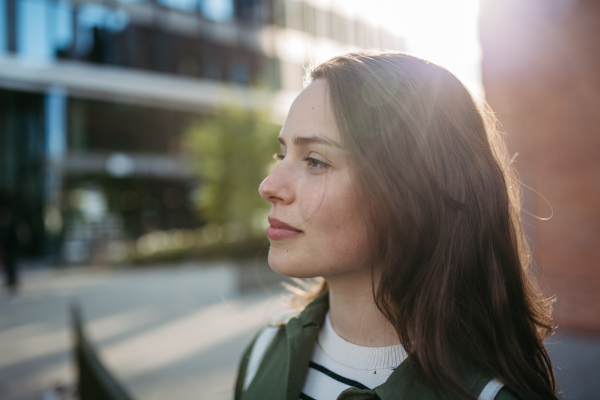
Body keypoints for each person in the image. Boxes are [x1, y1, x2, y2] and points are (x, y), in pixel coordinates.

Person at [234, 51, 557, 400]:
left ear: (414, 191)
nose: (268, 186)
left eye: (315, 161)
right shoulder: (264, 353)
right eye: (282, 155)